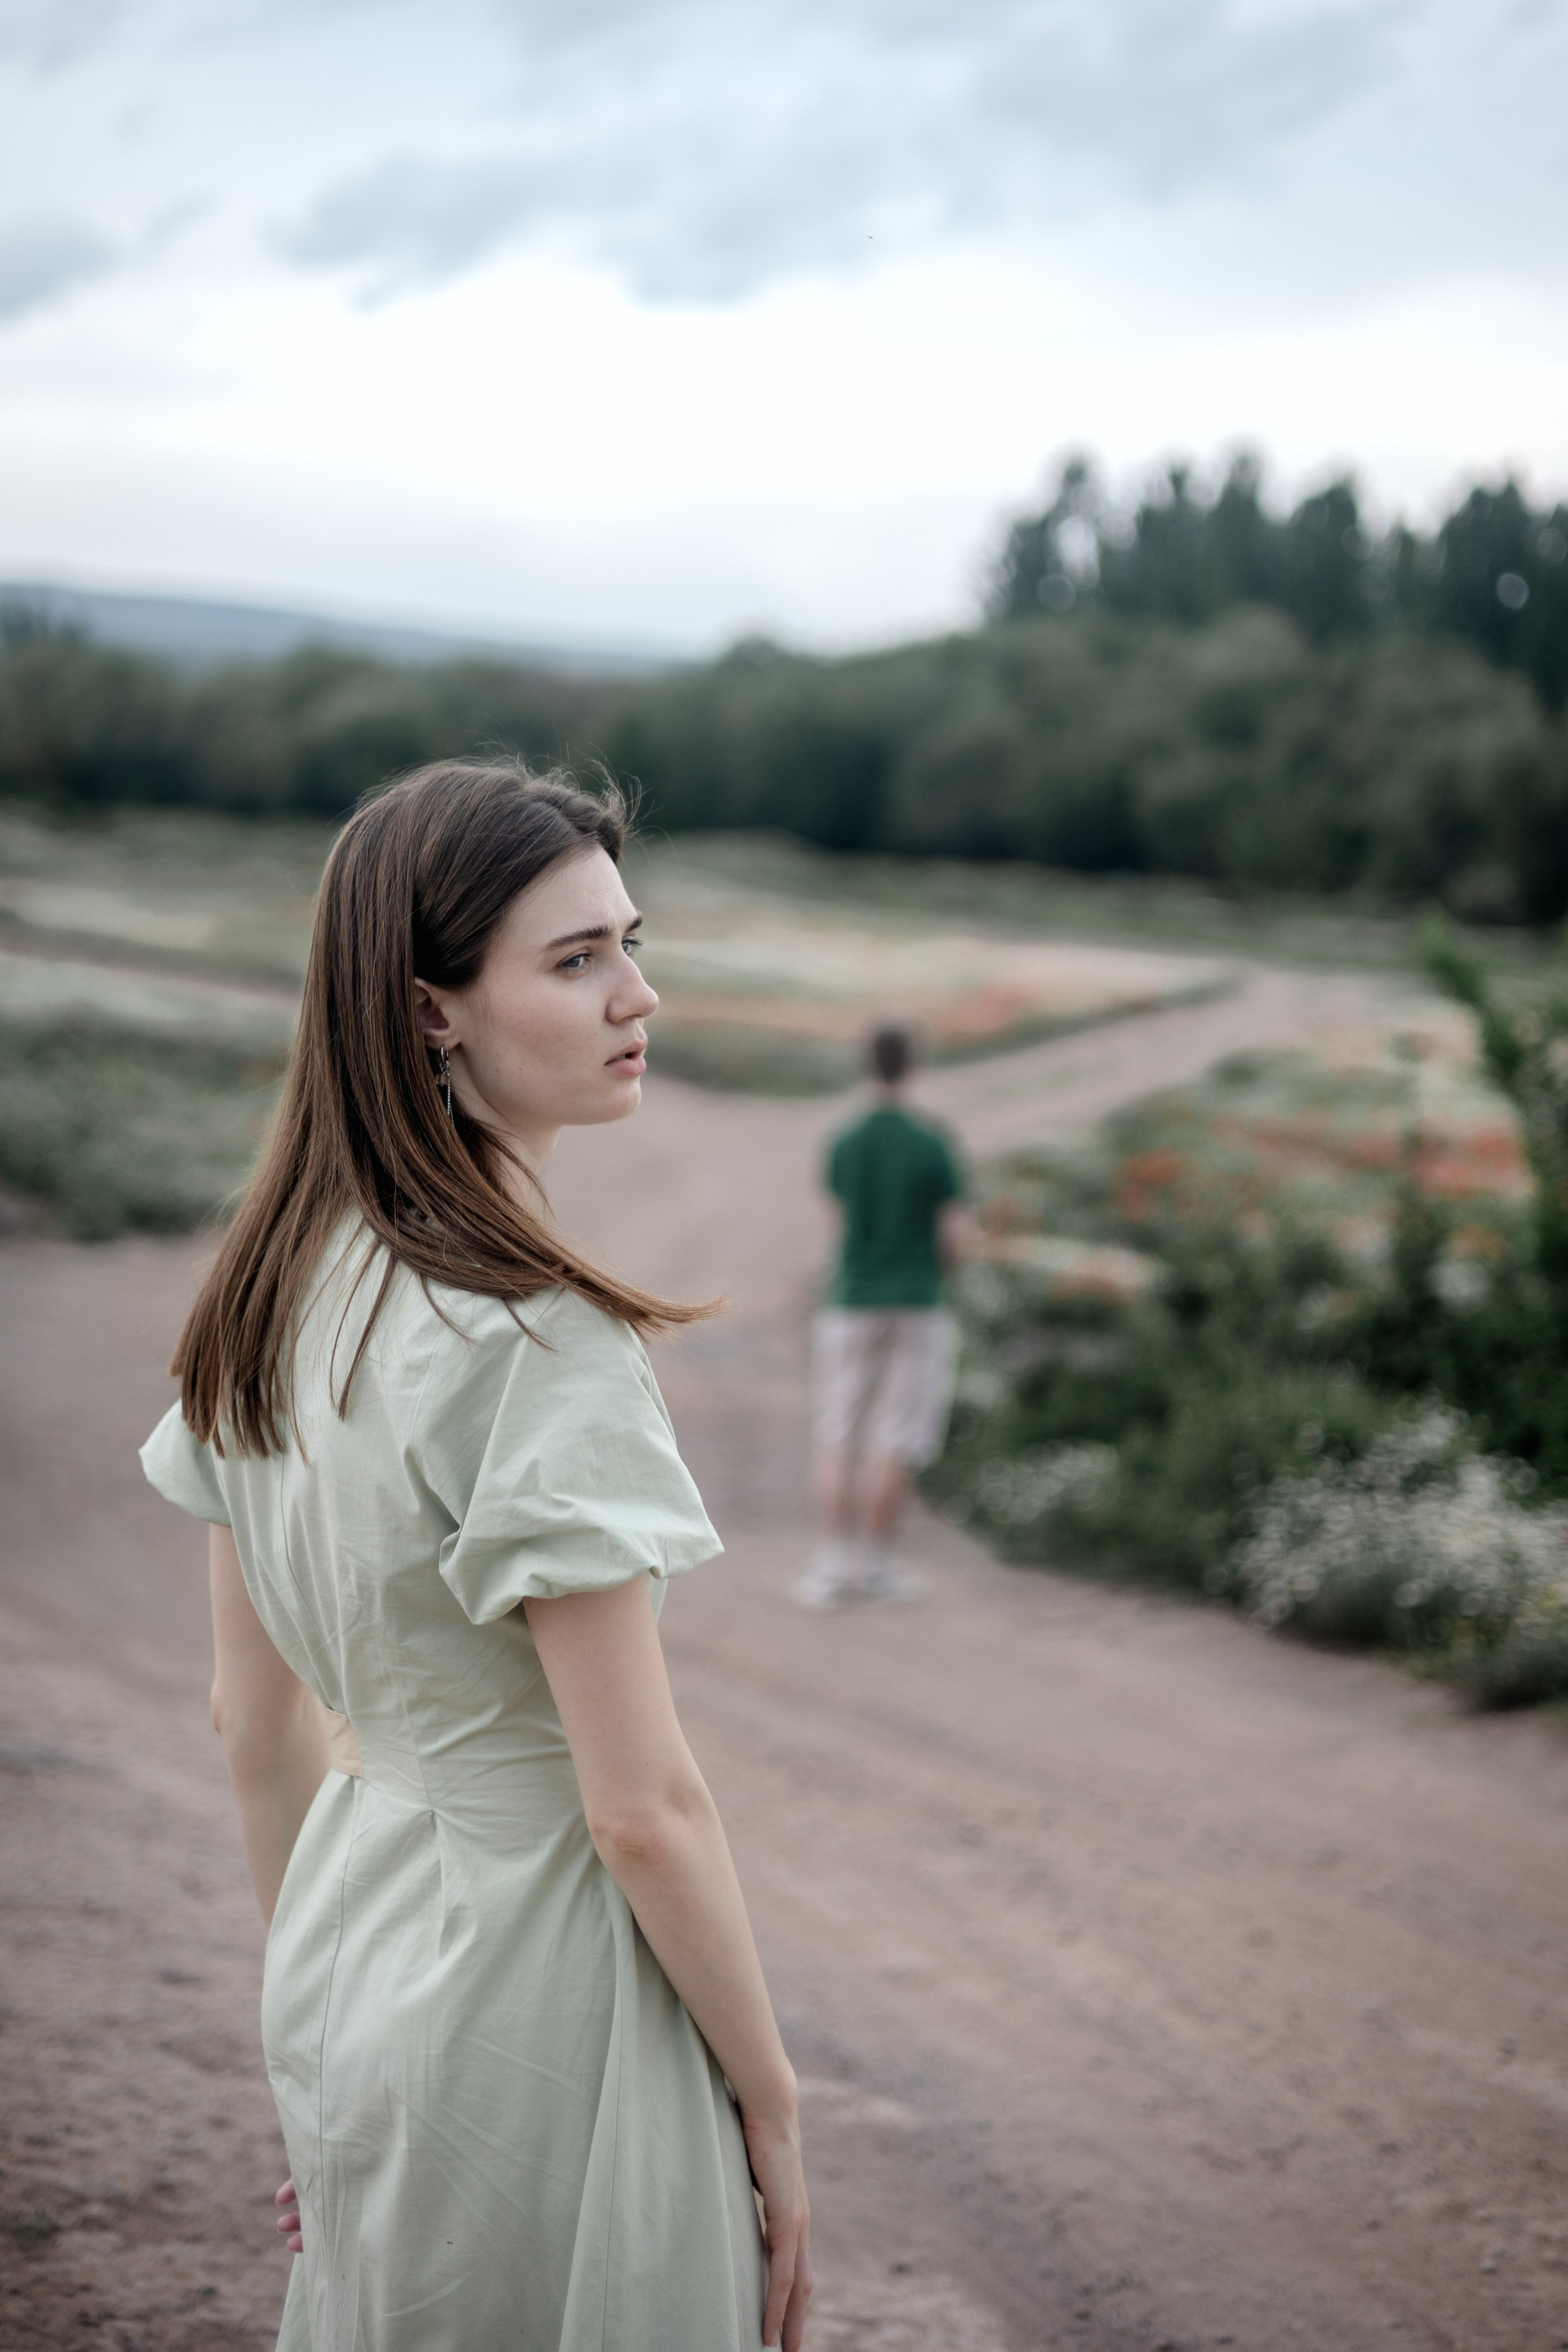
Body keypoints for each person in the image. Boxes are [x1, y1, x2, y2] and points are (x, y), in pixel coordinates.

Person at [139, 762, 811, 2352]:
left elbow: (255, 1725)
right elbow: (642, 1812)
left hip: (353, 1952)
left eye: (631, 945)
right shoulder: (542, 1346)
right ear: (431, 1009)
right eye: (575, 961)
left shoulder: (268, 1293)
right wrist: (774, 2107)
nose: (637, 996)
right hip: (548, 2006)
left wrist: (316, 2026)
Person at [795, 1023, 964, 1610]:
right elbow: (953, 1237)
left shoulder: (845, 1140)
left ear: (867, 1065)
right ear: (912, 1066)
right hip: (917, 1301)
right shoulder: (932, 1141)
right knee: (895, 1439)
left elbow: (831, 1231)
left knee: (839, 1434)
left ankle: (829, 1567)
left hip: (853, 1299)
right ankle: (878, 1565)